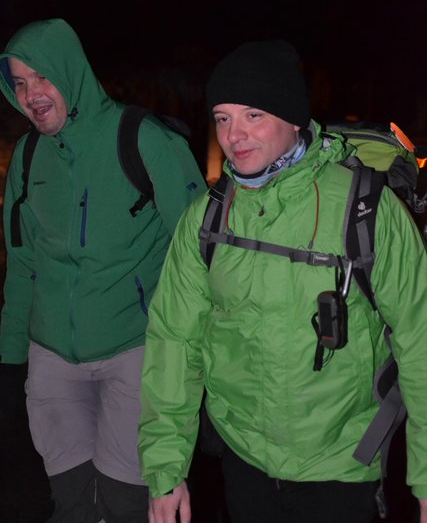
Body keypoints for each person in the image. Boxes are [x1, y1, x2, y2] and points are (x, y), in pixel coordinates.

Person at [138, 40, 427, 523]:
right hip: (243, 461)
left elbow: (420, 341)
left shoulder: (367, 210)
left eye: (253, 115)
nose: (234, 135)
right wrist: (165, 469)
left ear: (293, 118)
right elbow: (174, 342)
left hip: (341, 465)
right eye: (223, 117)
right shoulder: (207, 219)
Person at [0, 18, 206, 523]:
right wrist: (9, 360)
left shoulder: (144, 140)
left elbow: (200, 256)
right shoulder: (27, 157)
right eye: (19, 83)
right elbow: (22, 264)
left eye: (42, 76)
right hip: (52, 359)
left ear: (71, 71)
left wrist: (204, 358)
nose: (31, 94)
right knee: (71, 502)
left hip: (134, 352)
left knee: (125, 502)